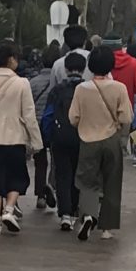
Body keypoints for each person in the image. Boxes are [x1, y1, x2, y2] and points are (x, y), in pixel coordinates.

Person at [0, 40, 45, 235]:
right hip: (15, 137)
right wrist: (37, 142)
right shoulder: (22, 83)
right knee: (17, 177)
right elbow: (29, 116)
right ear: (12, 59)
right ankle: (10, 209)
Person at [71, 46, 135, 241]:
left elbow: (73, 117)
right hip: (111, 139)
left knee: (87, 181)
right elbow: (127, 116)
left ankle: (89, 215)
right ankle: (107, 228)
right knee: (112, 182)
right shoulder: (119, 88)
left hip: (88, 139)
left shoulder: (81, 89)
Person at [45, 50, 88, 231]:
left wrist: (47, 138)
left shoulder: (57, 90)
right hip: (83, 137)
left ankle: (65, 214)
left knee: (62, 174)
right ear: (84, 68)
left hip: (60, 137)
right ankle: (75, 209)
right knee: (78, 174)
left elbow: (48, 116)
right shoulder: (87, 89)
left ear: (66, 68)